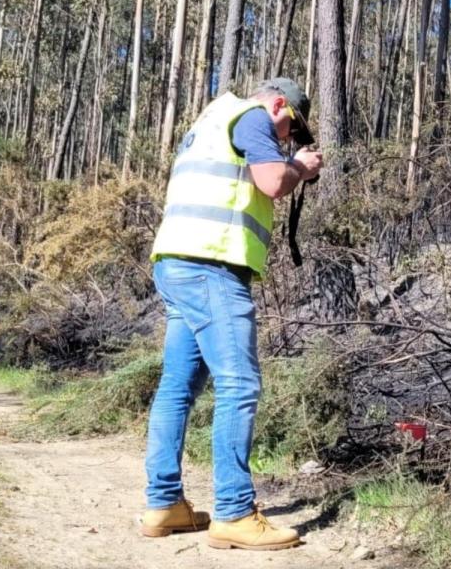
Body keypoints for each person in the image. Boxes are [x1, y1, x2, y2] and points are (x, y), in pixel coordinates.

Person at [138, 78, 323, 551]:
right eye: (291, 130)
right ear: (280, 105)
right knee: (240, 383)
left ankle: (164, 505)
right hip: (211, 267)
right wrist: (298, 168)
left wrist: (289, 160)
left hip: (176, 263)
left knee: (179, 387)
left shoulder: (210, 121)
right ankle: (235, 512)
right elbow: (271, 182)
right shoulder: (255, 117)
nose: (288, 140)